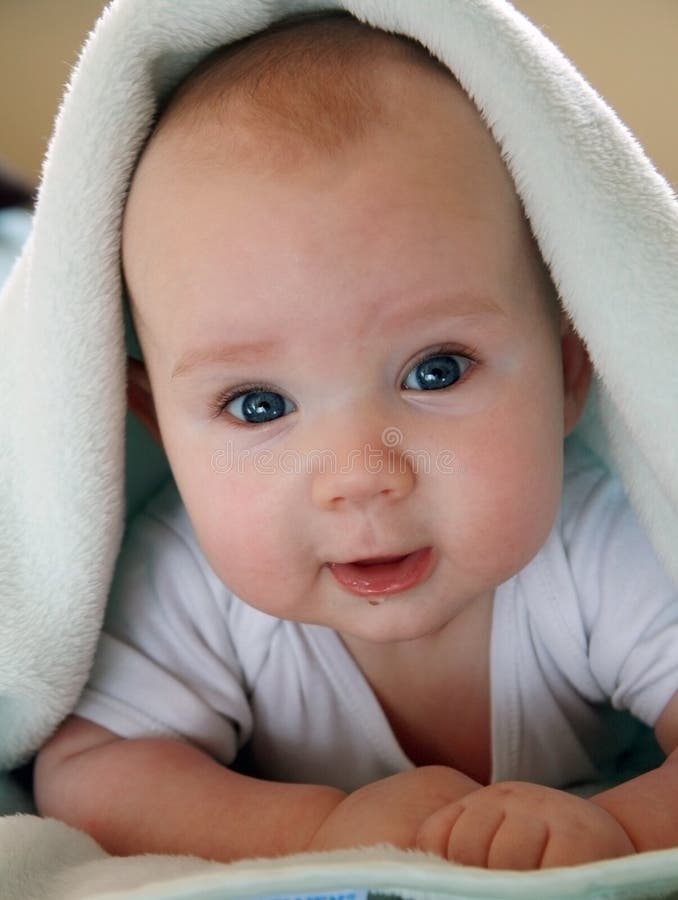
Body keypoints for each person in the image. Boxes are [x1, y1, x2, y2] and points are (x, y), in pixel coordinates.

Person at [33, 11, 678, 870]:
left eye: (437, 371)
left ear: (569, 373)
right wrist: (313, 833)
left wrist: (620, 827)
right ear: (157, 430)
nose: (359, 478)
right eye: (258, 405)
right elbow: (91, 770)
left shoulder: (600, 540)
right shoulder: (185, 581)